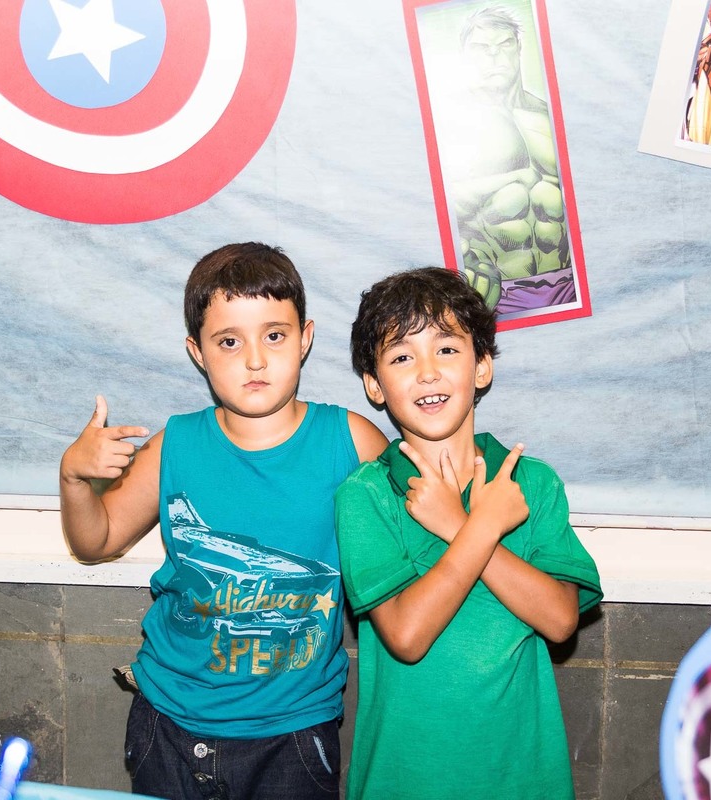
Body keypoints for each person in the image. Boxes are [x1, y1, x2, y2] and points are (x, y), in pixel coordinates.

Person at [58, 242, 386, 800]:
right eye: (229, 341)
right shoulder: (175, 445)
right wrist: (74, 478)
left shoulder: (351, 442)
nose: (254, 360)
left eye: (274, 335)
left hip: (293, 735)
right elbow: (96, 541)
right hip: (169, 723)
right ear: (198, 352)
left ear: (305, 338)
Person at [335, 267, 601, 799]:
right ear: (374, 385)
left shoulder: (530, 483)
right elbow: (407, 637)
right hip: (404, 780)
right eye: (402, 357)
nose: (427, 373)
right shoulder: (366, 495)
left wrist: (458, 524)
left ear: (481, 367)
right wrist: (481, 526)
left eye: (447, 350)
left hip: (522, 781)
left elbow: (559, 620)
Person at [438, 6, 575, 316]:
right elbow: (446, 207)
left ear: (519, 48)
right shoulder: (451, 125)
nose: (495, 56)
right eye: (481, 48)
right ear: (465, 56)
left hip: (568, 283)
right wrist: (514, 178)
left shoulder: (550, 116)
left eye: (504, 44)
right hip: (496, 296)